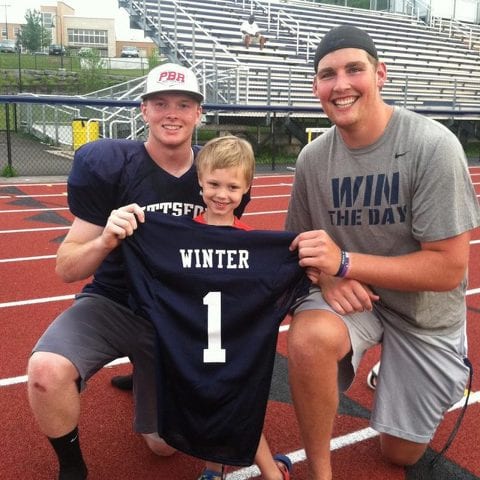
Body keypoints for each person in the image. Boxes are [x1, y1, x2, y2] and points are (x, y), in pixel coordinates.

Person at [26, 62, 249, 480]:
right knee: (45, 371)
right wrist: (104, 240)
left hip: (177, 315)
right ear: (143, 110)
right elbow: (66, 268)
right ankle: (72, 467)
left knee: (163, 448)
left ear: (198, 113)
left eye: (183, 104)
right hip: (114, 301)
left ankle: (145, 367)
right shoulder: (112, 165)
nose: (172, 114)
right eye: (160, 103)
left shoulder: (218, 175)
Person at [285, 24, 480, 480]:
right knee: (308, 339)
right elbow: (296, 245)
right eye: (328, 74)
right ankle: (320, 473)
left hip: (424, 312)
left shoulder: (431, 146)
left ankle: (398, 373)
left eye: (354, 69)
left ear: (380, 74)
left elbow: (448, 269)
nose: (341, 85)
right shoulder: (312, 159)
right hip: (355, 299)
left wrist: (344, 263)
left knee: (399, 455)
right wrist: (328, 276)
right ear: (316, 87)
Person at [121, 136, 300, 479]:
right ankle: (221, 468)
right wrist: (130, 228)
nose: (222, 194)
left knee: (236, 403)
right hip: (189, 339)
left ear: (247, 187)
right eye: (214, 184)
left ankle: (259, 472)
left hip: (234, 344)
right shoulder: (176, 237)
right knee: (205, 402)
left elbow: (275, 287)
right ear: (200, 181)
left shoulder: (254, 244)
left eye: (233, 186)